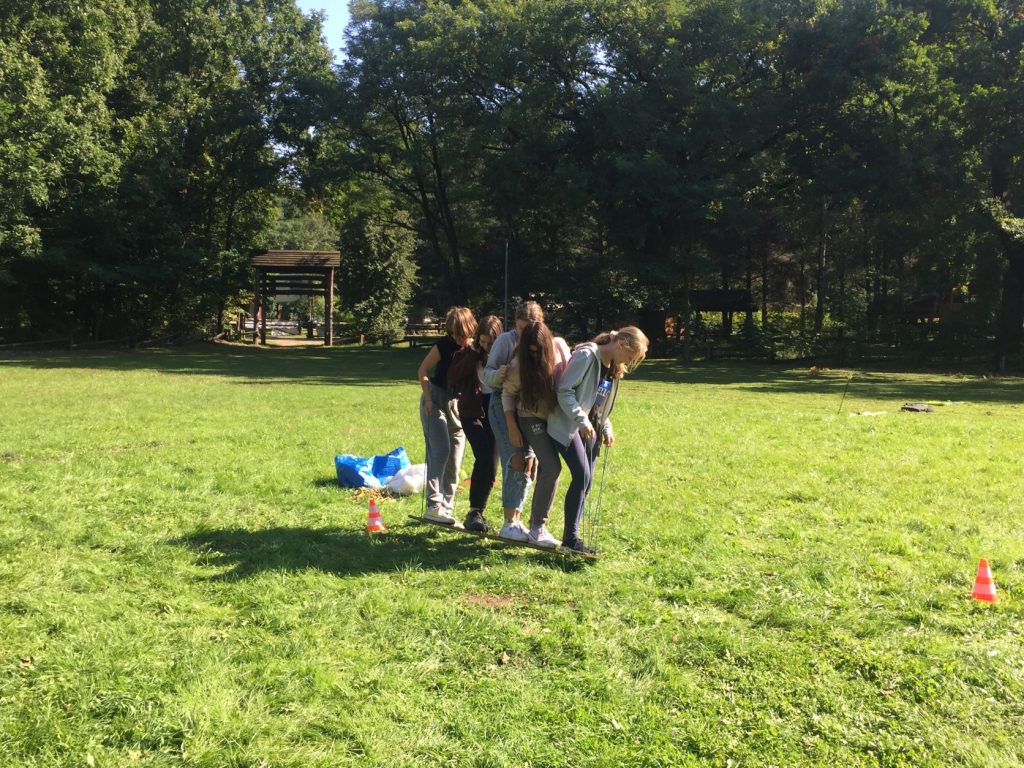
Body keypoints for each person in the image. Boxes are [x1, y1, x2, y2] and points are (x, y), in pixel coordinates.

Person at [547, 326, 649, 554]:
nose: (629, 363)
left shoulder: (613, 366)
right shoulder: (586, 356)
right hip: (569, 426)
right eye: (630, 357)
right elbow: (564, 390)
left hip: (592, 429)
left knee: (587, 481)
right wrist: (581, 420)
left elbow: (598, 403)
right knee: (582, 476)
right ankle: (570, 539)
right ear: (620, 344)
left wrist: (606, 427)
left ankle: (571, 539)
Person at [501, 321, 570, 548]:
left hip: (553, 418)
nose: (535, 356)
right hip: (529, 417)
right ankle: (537, 527)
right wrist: (511, 426)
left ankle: (536, 524)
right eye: (530, 351)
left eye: (538, 351)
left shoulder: (559, 349)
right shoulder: (519, 364)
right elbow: (507, 394)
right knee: (552, 466)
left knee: (546, 468)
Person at [482, 301, 545, 541]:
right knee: (516, 458)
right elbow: (487, 375)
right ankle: (509, 522)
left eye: (528, 328)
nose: (524, 333)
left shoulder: (542, 341)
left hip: (527, 408)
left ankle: (517, 520)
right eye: (520, 328)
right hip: (502, 405)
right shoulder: (505, 341)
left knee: (530, 461)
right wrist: (499, 374)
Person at [416, 307, 476, 524]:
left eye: (462, 334)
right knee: (440, 451)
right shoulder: (443, 345)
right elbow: (422, 370)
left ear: (470, 329)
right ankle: (434, 506)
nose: (458, 339)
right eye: (454, 334)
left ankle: (447, 509)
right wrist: (428, 398)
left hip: (458, 405)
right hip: (435, 401)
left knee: (455, 458)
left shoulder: (474, 348)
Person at [446, 315, 503, 532]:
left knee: (493, 464)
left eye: (491, 343)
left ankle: (479, 512)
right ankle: (474, 512)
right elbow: (454, 376)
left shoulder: (505, 353)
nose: (487, 346)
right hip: (471, 410)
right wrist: (472, 354)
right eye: (483, 341)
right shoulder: (469, 352)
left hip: (495, 408)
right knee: (483, 454)